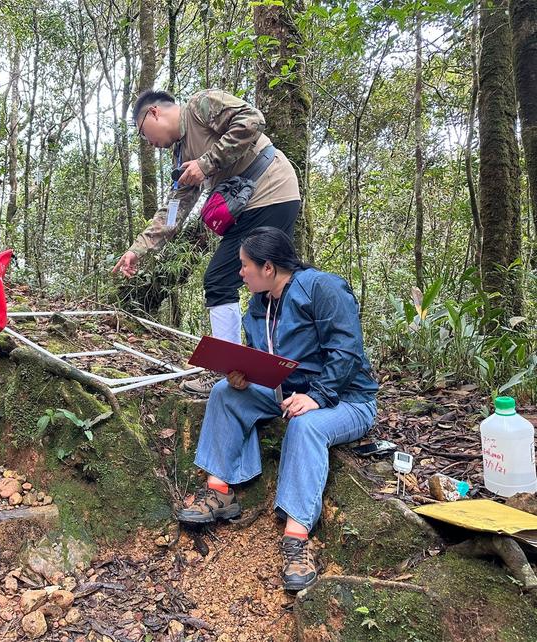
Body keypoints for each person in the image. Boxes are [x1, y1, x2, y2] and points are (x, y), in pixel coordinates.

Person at [176, 227, 378, 592]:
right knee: (224, 393)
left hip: (348, 400)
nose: (240, 273)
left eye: (244, 266)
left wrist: (318, 395)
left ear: (267, 267)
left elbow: (347, 350)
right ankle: (220, 491)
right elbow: (263, 359)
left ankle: (297, 539)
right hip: (285, 391)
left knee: (305, 426)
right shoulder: (259, 302)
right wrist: (243, 375)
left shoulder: (323, 288)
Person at [113, 89, 301, 395]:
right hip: (259, 204)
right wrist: (138, 250)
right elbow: (174, 212)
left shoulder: (201, 106)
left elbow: (252, 120)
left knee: (219, 280)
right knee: (269, 287)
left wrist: (206, 163)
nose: (148, 143)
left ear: (154, 114)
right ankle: (273, 373)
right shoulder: (181, 156)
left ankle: (225, 371)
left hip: (270, 191)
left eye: (143, 134)